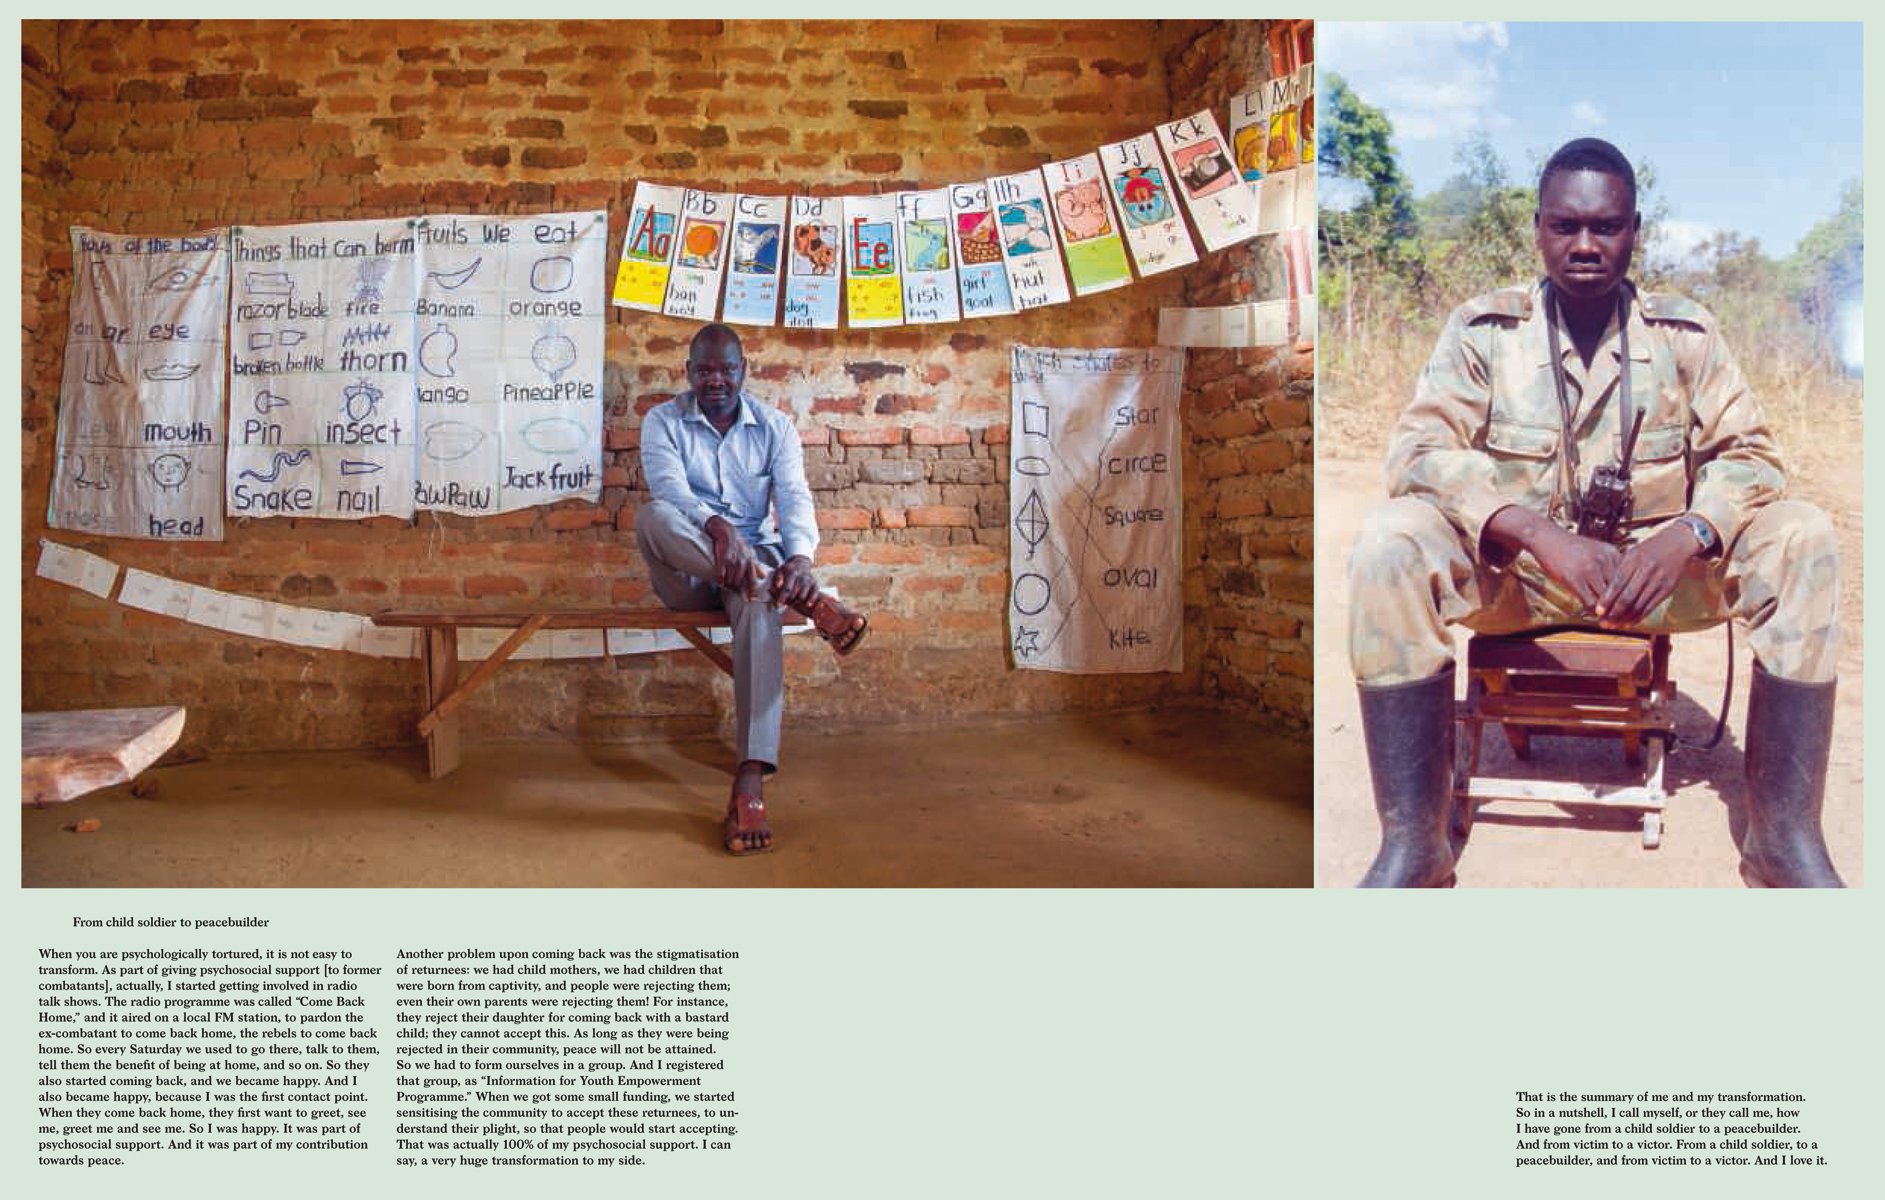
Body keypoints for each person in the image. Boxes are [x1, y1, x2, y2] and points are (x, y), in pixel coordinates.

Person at [1346, 138, 1843, 888]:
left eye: (1605, 227)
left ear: (1633, 230)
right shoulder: (1484, 331)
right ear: (1538, 228)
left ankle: (1783, 839)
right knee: (1388, 540)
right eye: (1564, 226)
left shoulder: (1686, 335)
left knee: (1802, 532)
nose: (1584, 245)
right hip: (1517, 581)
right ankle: (1414, 844)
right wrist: (1537, 535)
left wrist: (1687, 534)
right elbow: (1417, 452)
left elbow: (1752, 456)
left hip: (1654, 583)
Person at [636, 323, 869, 856]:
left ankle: (750, 779)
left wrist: (801, 560)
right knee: (653, 518)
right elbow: (669, 489)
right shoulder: (662, 422)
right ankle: (804, 598)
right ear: (688, 373)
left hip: (752, 575)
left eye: (726, 369)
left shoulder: (775, 426)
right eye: (704, 370)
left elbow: (793, 496)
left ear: (745, 370)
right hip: (690, 572)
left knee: (760, 597)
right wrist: (720, 530)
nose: (715, 380)